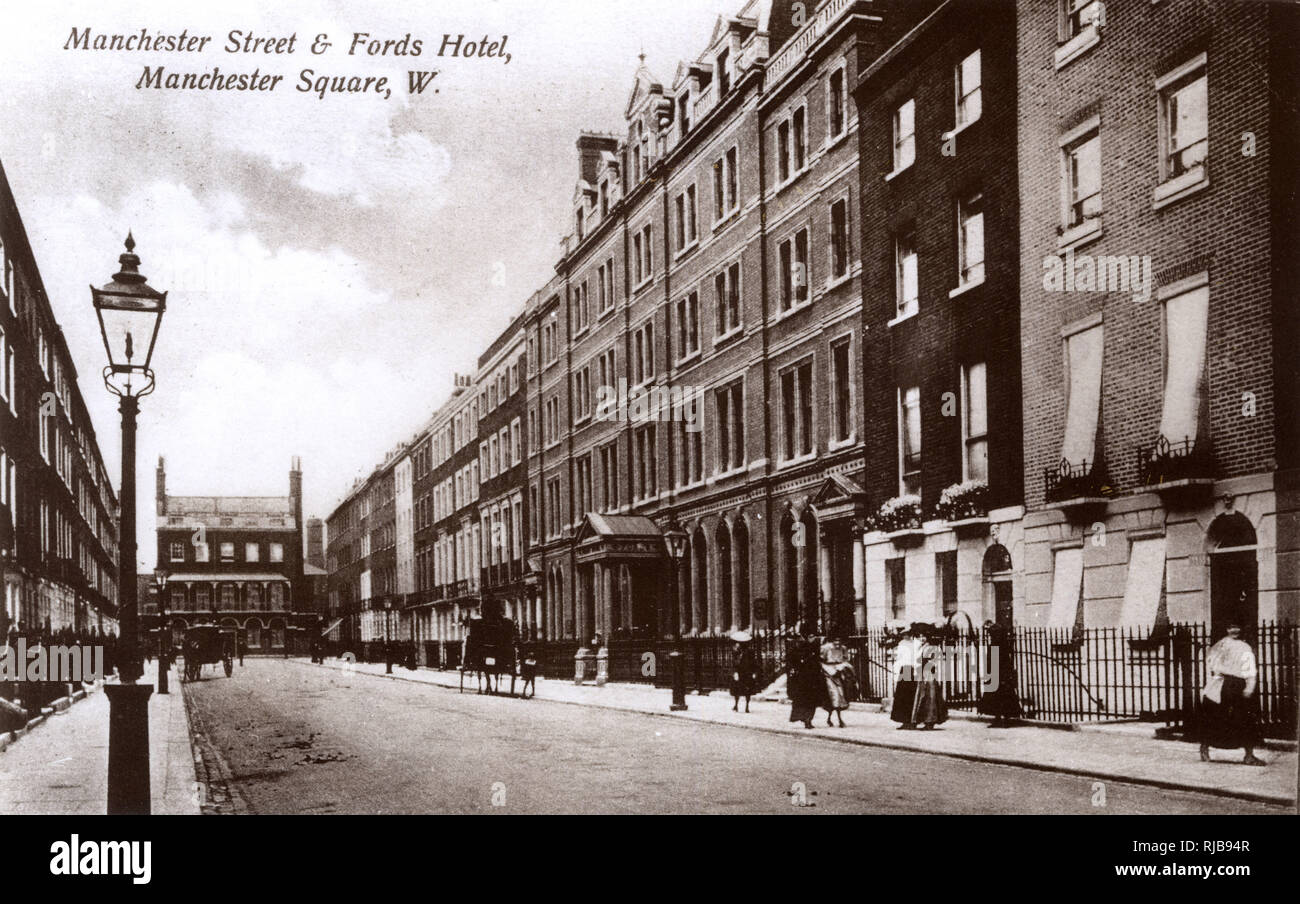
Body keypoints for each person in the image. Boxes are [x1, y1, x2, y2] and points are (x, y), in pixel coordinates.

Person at [1197, 624, 1265, 766]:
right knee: (1213, 718)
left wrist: (1250, 686)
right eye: (1230, 627)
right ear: (1225, 629)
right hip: (1219, 685)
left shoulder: (1245, 647)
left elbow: (1250, 669)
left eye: (1237, 627)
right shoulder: (1219, 645)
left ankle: (1249, 755)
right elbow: (1210, 662)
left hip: (1237, 685)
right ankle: (1204, 748)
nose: (1234, 630)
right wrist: (1219, 672)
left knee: (1244, 719)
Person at [977, 620, 1020, 727]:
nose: (991, 636)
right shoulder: (999, 646)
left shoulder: (1000, 646)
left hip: (1001, 675)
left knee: (1002, 696)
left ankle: (1004, 719)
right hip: (996, 675)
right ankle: (998, 718)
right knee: (996, 697)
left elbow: (1002, 662)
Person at [912, 625, 949, 730]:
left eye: (924, 636)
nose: (922, 638)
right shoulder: (921, 647)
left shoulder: (931, 647)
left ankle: (930, 721)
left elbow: (934, 661)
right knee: (923, 697)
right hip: (922, 674)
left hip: (928, 674)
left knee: (930, 697)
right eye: (919, 636)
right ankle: (924, 720)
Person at [787, 638, 829, 729]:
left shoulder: (812, 656)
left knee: (808, 702)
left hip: (809, 682)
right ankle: (806, 719)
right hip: (806, 682)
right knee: (808, 702)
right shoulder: (804, 656)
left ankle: (807, 719)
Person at [820, 639, 855, 727]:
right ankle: (838, 719)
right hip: (828, 674)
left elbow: (845, 660)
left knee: (842, 694)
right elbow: (821, 661)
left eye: (840, 640)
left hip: (840, 673)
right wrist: (830, 670)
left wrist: (843, 667)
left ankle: (832, 718)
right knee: (834, 695)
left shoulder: (843, 648)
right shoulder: (825, 648)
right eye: (835, 640)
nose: (837, 643)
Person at [890, 628, 920, 729]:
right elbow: (899, 658)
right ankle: (905, 721)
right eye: (903, 634)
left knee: (909, 696)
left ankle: (911, 721)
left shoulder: (914, 643)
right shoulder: (905, 643)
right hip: (906, 670)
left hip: (910, 670)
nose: (905, 636)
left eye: (907, 634)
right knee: (904, 696)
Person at [729, 633, 760, 713]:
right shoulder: (737, 652)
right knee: (738, 690)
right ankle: (737, 705)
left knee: (746, 691)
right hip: (741, 673)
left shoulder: (748, 652)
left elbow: (753, 663)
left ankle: (746, 706)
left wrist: (754, 672)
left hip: (745, 674)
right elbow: (734, 663)